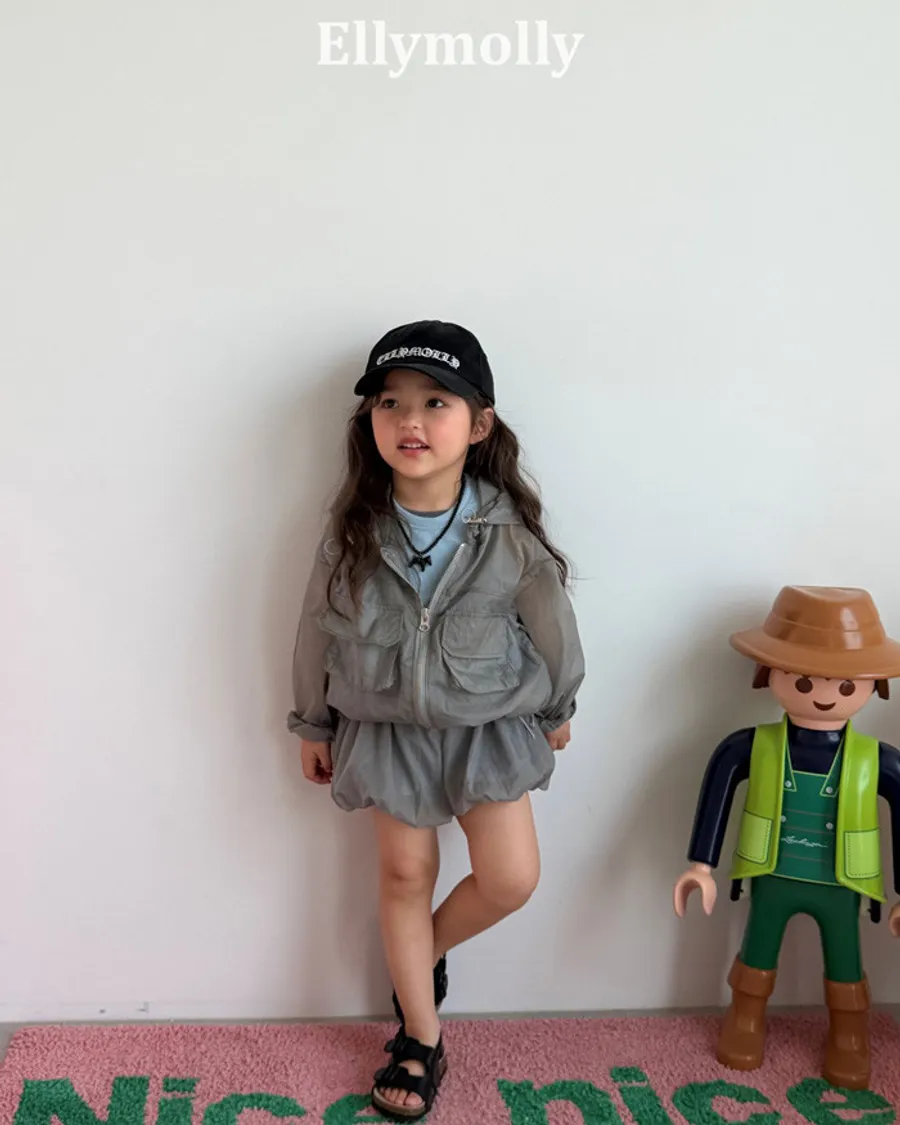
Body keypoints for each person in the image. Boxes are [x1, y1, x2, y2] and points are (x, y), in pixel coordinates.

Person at [287, 319, 585, 1118]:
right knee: (403, 875)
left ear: (479, 424)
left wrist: (558, 704)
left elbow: (555, 626)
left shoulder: (508, 534)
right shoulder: (352, 532)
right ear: (370, 421)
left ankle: (427, 950)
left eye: (435, 402)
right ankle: (420, 1035)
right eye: (390, 402)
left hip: (490, 725)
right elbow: (314, 628)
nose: (409, 420)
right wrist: (313, 722)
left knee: (512, 877)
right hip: (386, 728)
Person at [673, 585, 900, 1091]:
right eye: (803, 679)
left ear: (873, 685)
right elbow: (717, 791)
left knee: (846, 960)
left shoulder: (878, 760)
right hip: (771, 874)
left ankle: (849, 1036)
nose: (824, 694)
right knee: (757, 950)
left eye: (846, 685)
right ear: (769, 673)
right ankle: (745, 1019)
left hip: (841, 884)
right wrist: (700, 866)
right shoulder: (750, 746)